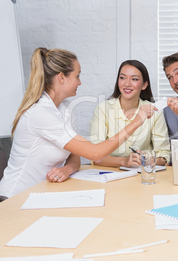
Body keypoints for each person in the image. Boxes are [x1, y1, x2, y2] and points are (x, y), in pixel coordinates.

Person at [0, 48, 156, 199]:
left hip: (42, 193)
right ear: (61, 78)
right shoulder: (41, 114)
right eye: (77, 76)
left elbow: (75, 156)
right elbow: (95, 153)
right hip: (15, 197)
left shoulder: (64, 109)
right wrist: (136, 122)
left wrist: (66, 170)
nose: (80, 82)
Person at [89, 60, 170, 167]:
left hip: (141, 174)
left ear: (144, 85)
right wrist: (124, 161)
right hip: (110, 175)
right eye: (122, 78)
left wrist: (146, 160)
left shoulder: (153, 111)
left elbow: (164, 156)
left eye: (134, 79)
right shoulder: (103, 109)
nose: (127, 84)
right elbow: (95, 156)